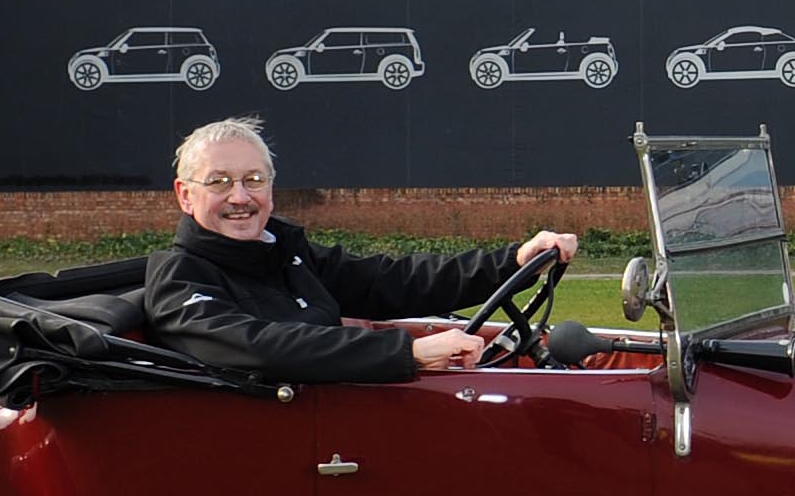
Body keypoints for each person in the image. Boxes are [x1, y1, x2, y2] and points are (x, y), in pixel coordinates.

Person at [136, 117, 584, 384]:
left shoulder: (288, 255)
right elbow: (261, 347)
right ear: (185, 195)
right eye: (219, 182)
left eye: (253, 180)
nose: (240, 197)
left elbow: (392, 280)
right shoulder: (180, 278)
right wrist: (407, 352)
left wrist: (513, 261)